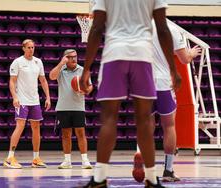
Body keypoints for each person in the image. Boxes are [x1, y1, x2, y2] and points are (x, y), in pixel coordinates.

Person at [79, 0, 181, 187]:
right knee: (144, 119)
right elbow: (163, 28)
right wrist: (173, 69)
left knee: (109, 118)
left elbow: (96, 28)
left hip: (114, 53)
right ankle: (151, 178)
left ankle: (100, 178)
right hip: (142, 54)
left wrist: (86, 69)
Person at [151, 20, 202, 182]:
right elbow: (184, 59)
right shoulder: (172, 30)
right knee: (169, 126)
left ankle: (144, 162)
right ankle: (168, 170)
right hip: (163, 83)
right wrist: (192, 53)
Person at [3, 39, 51, 169]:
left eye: (33, 47)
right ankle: (9, 158)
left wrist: (48, 97)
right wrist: (15, 97)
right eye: (29, 47)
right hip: (22, 100)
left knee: (36, 127)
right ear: (23, 48)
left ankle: (36, 158)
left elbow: (43, 80)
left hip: (34, 100)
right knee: (20, 126)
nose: (31, 49)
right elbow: (12, 82)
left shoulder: (38, 62)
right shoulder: (17, 62)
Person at [49, 49, 93, 169]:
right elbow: (51, 76)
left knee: (81, 134)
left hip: (78, 107)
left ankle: (85, 160)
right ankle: (67, 161)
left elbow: (90, 87)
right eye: (70, 57)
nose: (74, 59)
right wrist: (60, 64)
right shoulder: (61, 70)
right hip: (63, 107)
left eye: (75, 56)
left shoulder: (82, 70)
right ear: (65, 58)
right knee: (66, 135)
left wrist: (85, 91)